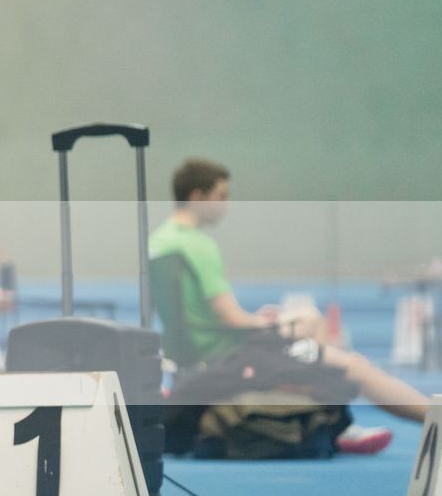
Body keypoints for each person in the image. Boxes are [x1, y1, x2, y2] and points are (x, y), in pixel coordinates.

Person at [152, 157, 424, 451]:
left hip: (190, 357)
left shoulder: (158, 241)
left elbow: (201, 316)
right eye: (221, 196)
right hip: (227, 356)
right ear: (197, 197)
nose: (227, 205)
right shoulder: (198, 246)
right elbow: (231, 319)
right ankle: (433, 416)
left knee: (307, 321)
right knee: (351, 363)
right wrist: (266, 323)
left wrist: (263, 320)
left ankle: (327, 418)